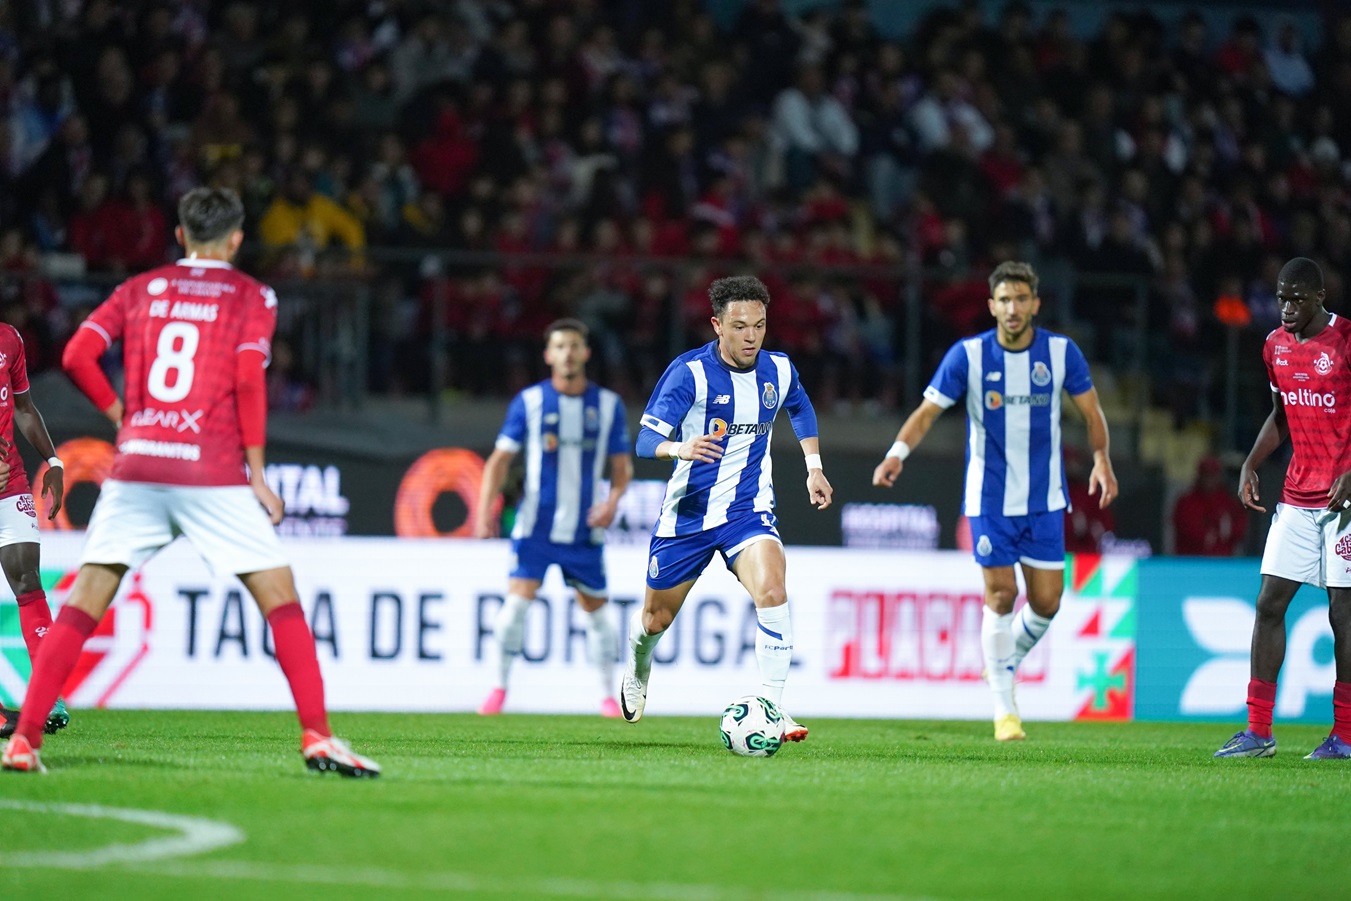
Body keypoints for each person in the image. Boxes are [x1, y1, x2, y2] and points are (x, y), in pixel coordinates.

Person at [1, 187, 378, 776]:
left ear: (179, 235)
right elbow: (248, 379)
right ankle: (317, 737)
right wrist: (257, 472)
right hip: (210, 467)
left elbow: (76, 355)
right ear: (236, 239)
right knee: (280, 597)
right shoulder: (253, 295)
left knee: (85, 600)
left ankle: (25, 742)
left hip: (139, 465)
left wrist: (122, 417)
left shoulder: (140, 288)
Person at [871, 261, 1117, 741]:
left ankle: (1003, 660)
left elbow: (1092, 412)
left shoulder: (1061, 353)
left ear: (1035, 304)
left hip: (1044, 500)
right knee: (1001, 595)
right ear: (992, 306)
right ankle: (1006, 711)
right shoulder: (968, 356)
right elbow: (927, 412)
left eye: (1021, 299)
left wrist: (1102, 459)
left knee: (1046, 602)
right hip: (989, 498)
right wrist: (896, 454)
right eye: (1004, 300)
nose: (1012, 308)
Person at [620, 275, 833, 742]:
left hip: (747, 512)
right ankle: (638, 665)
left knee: (773, 590)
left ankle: (772, 707)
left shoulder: (778, 369)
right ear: (718, 325)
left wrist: (813, 467)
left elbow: (800, 407)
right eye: (739, 326)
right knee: (654, 621)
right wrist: (679, 448)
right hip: (689, 515)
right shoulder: (689, 373)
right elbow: (645, 440)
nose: (751, 336)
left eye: (759, 325)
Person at [1215, 257, 1351, 760]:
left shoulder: (1346, 340)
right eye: (1281, 299)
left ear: (1320, 297)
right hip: (1297, 495)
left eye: (1297, 299)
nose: (1288, 308)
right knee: (1269, 603)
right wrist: (1251, 463)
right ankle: (1258, 731)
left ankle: (1345, 735)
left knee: (1343, 613)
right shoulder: (1274, 345)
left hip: (1345, 500)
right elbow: (1281, 415)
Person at [473, 318, 632, 717]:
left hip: (584, 530)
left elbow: (621, 466)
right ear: (548, 355)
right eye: (560, 347)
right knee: (514, 609)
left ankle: (608, 696)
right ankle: (498, 689)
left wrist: (613, 501)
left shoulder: (607, 405)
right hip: (535, 527)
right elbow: (499, 460)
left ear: (586, 353)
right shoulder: (529, 402)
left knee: (598, 616)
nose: (568, 354)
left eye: (574, 346)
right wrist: (485, 510)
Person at [0, 332, 69, 739]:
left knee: (28, 580)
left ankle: (48, 694)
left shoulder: (10, 340)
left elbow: (24, 408)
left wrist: (54, 461)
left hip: (9, 482)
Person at [1172, 455, 1248, 556]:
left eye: (1213, 475)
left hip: (1223, 559)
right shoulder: (1186, 502)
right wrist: (1211, 534)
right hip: (1191, 559)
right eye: (1206, 475)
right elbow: (1188, 530)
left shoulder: (1228, 502)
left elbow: (1239, 527)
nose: (1209, 479)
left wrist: (1221, 531)